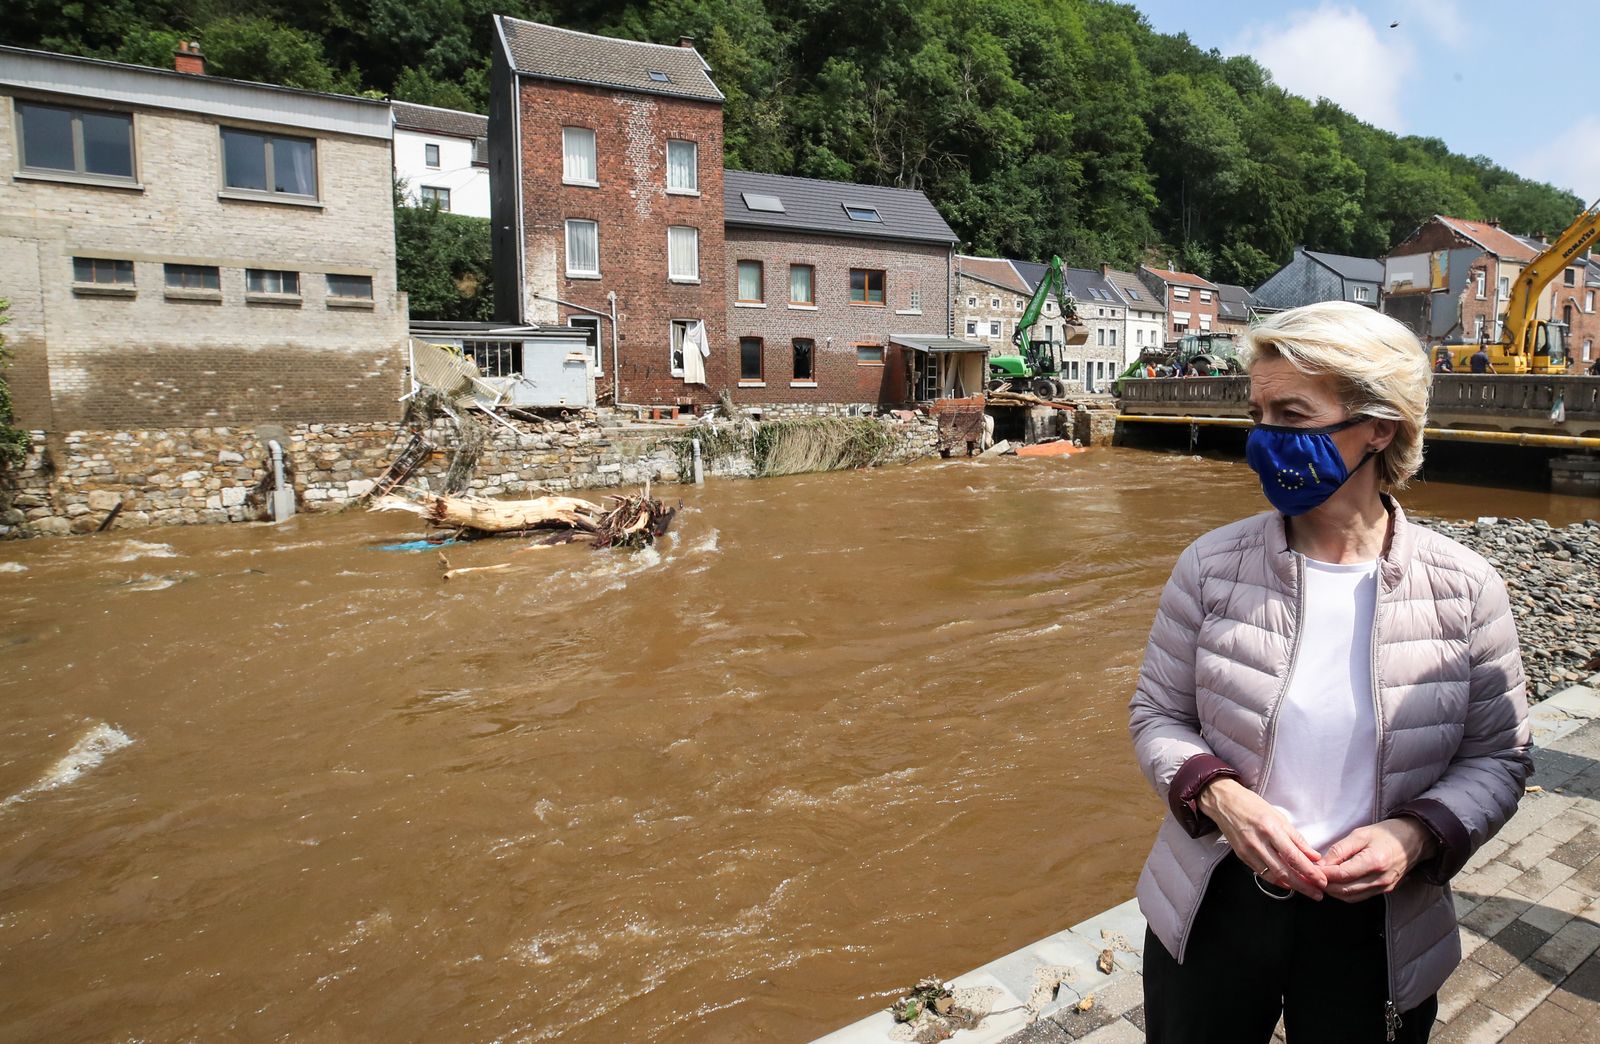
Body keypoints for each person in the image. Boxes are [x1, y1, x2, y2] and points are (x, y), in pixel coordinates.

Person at [1128, 301, 1530, 1044]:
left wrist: (1416, 836)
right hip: (1214, 901)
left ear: (1380, 425)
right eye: (1258, 412)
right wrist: (1218, 797)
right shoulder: (1211, 567)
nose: (1263, 438)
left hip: (1378, 922)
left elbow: (1498, 758)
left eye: (1292, 412)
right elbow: (1157, 715)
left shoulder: (1466, 589)